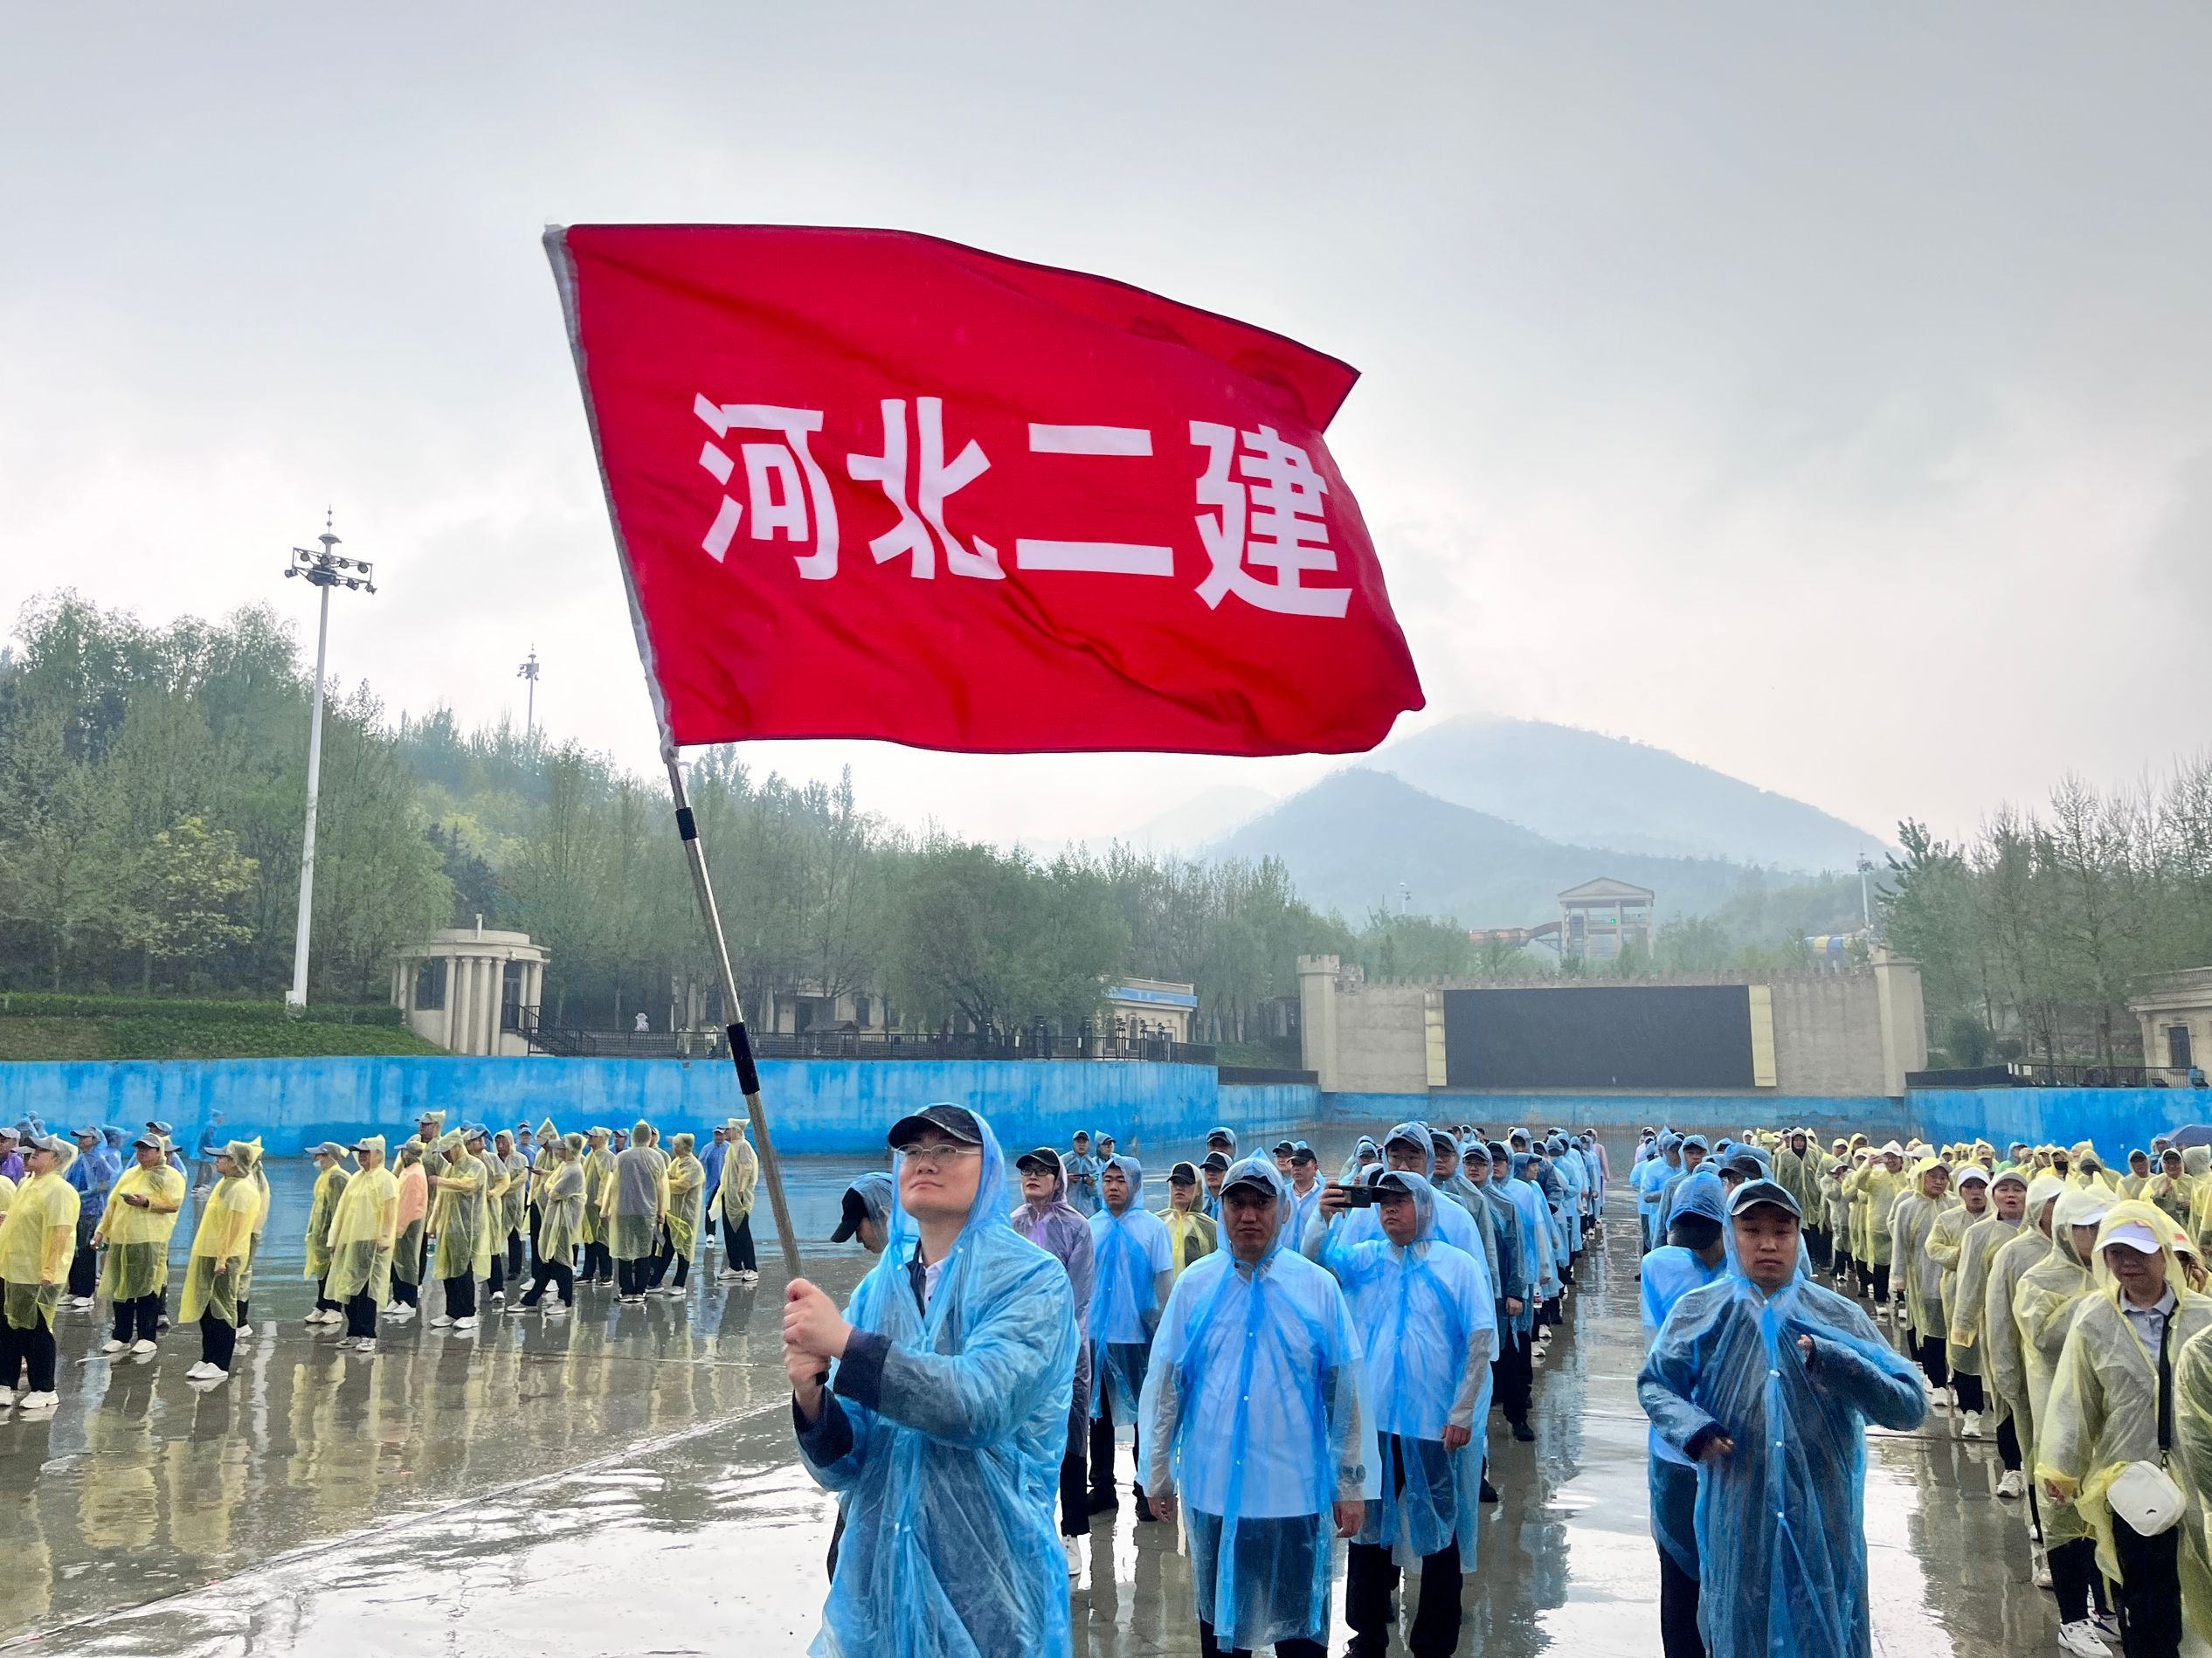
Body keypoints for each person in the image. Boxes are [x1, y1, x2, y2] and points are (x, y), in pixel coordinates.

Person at [785, 1102, 1079, 1658]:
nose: (927, 1162)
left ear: (987, 1167)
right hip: (879, 1587)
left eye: (947, 1150)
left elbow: (979, 1405)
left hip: (991, 1577)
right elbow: (847, 1465)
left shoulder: (1033, 1280)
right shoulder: (878, 1291)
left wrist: (846, 1344)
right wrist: (812, 1396)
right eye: (914, 1151)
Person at [1639, 1178, 1926, 1658]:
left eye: (1783, 1231)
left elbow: (1909, 1405)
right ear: (1731, 1237)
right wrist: (1692, 1430)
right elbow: (1655, 1384)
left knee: (1824, 1626)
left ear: (1799, 1237)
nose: (1768, 1243)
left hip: (1823, 1513)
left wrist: (1839, 1364)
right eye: (1752, 1230)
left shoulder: (1837, 1316)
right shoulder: (1701, 1313)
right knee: (1741, 1625)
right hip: (1738, 1508)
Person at [1142, 1156, 1377, 1658]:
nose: (1248, 1216)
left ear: (1283, 1210)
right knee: (1222, 1630)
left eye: (1261, 1203)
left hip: (1294, 1492)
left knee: (1300, 1630)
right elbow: (1167, 1387)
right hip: (1215, 1492)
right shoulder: (1195, 1288)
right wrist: (1157, 1472)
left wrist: (1351, 1483)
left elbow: (1344, 1394)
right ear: (1222, 1210)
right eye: (1237, 1204)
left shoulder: (1317, 1287)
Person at [1308, 1168, 1491, 1658]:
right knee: (1366, 1529)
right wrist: (1321, 1218)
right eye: (1383, 1201)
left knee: (1439, 1531)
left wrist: (1463, 1409)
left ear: (1425, 1206)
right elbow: (1314, 1264)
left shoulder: (1458, 1267)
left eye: (1401, 1201)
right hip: (1375, 1425)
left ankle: (1434, 1640)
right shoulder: (1368, 1260)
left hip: (1433, 1425)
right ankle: (1367, 1636)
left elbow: (1479, 1343)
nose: (1390, 1209)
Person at [2043, 1201, 2212, 1658]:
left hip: (2202, 1482)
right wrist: (2062, 1466)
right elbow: (2074, 1399)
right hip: (2133, 1482)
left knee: (2203, 1592)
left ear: (2164, 1253)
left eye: (2139, 1251)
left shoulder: (2205, 1317)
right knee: (2145, 1599)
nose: (2128, 1262)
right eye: (2116, 1253)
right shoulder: (2094, 1320)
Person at [2017, 1185, 2117, 1647]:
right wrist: (2098, 1302)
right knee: (2065, 1514)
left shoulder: (2116, 1276)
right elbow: (2044, 1338)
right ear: (2063, 1231)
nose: (2097, 1238)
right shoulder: (2038, 1280)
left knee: (2111, 1514)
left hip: (2111, 1418)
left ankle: (2108, 1611)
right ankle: (2074, 1618)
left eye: (2104, 1227)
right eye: (2088, 1229)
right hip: (2060, 1411)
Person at [1639, 1168, 1730, 1658]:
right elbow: (1656, 1357)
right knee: (1678, 1569)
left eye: (1707, 1236)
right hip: (1675, 1445)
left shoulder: (1748, 1266)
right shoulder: (1659, 1266)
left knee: (1737, 1566)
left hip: (1736, 1442)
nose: (1697, 1248)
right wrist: (1681, 1420)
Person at [1011, 1146, 1098, 1565]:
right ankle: (1032, 1527)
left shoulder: (1077, 1226)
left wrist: (1054, 1340)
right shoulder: (1013, 1224)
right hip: (1020, 1351)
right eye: (1027, 1170)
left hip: (1066, 1350)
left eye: (1041, 1171)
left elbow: (1078, 1295)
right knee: (1023, 1439)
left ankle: (1073, 1533)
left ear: (1058, 1178)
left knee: (1068, 1439)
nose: (1032, 1176)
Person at [1089, 1152, 1173, 1521]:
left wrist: (1167, 1332)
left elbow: (1163, 1282)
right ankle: (1103, 1487)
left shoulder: (1152, 1228)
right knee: (1099, 1417)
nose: (1113, 1187)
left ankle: (1145, 1491)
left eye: (1120, 1181)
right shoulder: (1090, 1226)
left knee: (1146, 1415)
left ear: (1134, 1185)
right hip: (1098, 1336)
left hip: (1139, 1336)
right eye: (1108, 1181)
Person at [0, 1133, 81, 1411]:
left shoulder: (59, 1190)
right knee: (9, 1327)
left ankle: (45, 1387)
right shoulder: (27, 1183)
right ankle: (6, 1383)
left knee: (35, 1330)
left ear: (57, 1159)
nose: (34, 1152)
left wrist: (49, 1270)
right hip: (14, 1270)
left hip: (38, 1273)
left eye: (42, 1150)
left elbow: (60, 1233)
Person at [93, 1132, 185, 1356]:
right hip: (122, 1239)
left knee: (147, 1288)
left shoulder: (170, 1176)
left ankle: (147, 1336)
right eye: (138, 1149)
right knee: (121, 1288)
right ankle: (121, 1336)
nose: (141, 1153)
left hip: (149, 1239)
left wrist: (146, 1202)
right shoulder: (130, 1174)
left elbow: (173, 1204)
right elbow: (113, 1204)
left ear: (158, 1152)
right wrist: (101, 1231)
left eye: (147, 1149)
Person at [178, 1141, 260, 1385]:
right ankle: (207, 1357)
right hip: (209, 1253)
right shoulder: (224, 1185)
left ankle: (220, 1362)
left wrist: (222, 1258)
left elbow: (235, 1229)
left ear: (235, 1162)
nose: (216, 1161)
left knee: (222, 1308)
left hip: (225, 1257)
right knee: (206, 1306)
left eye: (221, 1158)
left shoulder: (242, 1190)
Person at [1926, 1164, 1993, 1434]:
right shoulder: (1948, 1219)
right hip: (1960, 1295)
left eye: (1981, 1187)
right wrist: (1961, 1256)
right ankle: (1972, 1413)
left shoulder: (2002, 1221)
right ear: (1960, 1191)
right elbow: (1933, 1247)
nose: (1976, 1193)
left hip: (1995, 1298)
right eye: (1969, 1187)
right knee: (1965, 1351)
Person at [325, 1136, 398, 1355]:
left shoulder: (386, 1179)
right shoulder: (356, 1178)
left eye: (367, 1152)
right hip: (351, 1241)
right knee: (349, 1288)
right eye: (360, 1152)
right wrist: (334, 1238)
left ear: (378, 1153)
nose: (363, 1156)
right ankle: (353, 1332)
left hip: (372, 1243)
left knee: (367, 1291)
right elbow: (342, 1210)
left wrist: (385, 1238)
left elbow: (390, 1211)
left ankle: (368, 1334)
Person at [521, 1133, 587, 1316]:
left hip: (565, 1220)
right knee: (550, 1260)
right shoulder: (565, 1166)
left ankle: (564, 1300)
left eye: (561, 1148)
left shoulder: (574, 1170)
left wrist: (550, 1186)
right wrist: (550, 1186)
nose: (557, 1150)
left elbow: (552, 1192)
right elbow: (549, 1185)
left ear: (570, 1150)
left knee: (562, 1260)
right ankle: (531, 1298)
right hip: (555, 1218)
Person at [426, 1128, 486, 1331]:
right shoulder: (450, 1168)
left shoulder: (476, 1166)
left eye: (446, 1151)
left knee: (462, 1270)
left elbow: (469, 1185)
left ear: (457, 1148)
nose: (444, 1155)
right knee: (448, 1269)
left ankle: (468, 1312)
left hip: (468, 1227)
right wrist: (433, 1225)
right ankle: (452, 1311)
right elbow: (441, 1199)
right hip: (449, 1227)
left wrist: (441, 1181)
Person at [605, 1118, 667, 1304]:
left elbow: (613, 1184)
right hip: (646, 1211)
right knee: (644, 1250)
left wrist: (608, 1207)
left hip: (624, 1210)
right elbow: (662, 1186)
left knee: (624, 1251)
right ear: (649, 1137)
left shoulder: (622, 1157)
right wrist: (661, 1211)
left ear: (633, 1136)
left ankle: (626, 1290)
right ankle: (640, 1290)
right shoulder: (657, 1157)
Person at [301, 1142, 352, 1326]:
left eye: (320, 1156)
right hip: (320, 1234)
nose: (316, 1159)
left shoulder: (337, 1177)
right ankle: (322, 1305)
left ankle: (335, 1308)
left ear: (330, 1156)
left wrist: (336, 1236)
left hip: (331, 1234)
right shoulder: (325, 1176)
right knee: (322, 1271)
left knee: (334, 1272)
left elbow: (339, 1209)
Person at [654, 1131, 706, 1296]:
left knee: (684, 1248)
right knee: (667, 1247)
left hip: (686, 1215)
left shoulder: (694, 1166)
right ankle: (655, 1281)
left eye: (675, 1144)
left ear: (681, 1146)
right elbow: (669, 1177)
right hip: (672, 1213)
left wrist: (664, 1183)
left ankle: (680, 1283)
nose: (673, 1147)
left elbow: (683, 1185)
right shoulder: (677, 1162)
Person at [386, 1141, 428, 1324]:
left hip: (410, 1222)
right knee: (398, 1261)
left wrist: (400, 1228)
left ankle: (409, 1301)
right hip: (400, 1220)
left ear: (408, 1154)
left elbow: (409, 1204)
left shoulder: (415, 1174)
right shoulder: (408, 1171)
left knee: (409, 1260)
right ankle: (398, 1297)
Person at [1160, 1162, 1220, 1275]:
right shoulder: (1158, 1223)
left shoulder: (1211, 1228)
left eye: (1186, 1183)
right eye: (1175, 1183)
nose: (1179, 1188)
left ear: (1198, 1189)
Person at [577, 1127, 616, 1284]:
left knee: (603, 1240)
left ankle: (606, 1274)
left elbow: (608, 1181)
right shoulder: (590, 1156)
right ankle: (588, 1273)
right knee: (589, 1239)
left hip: (601, 1207)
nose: (590, 1138)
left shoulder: (607, 1157)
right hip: (588, 1206)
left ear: (602, 1139)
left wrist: (602, 1202)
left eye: (593, 1136)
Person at [828, 1170, 895, 1256]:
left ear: (883, 1215)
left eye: (858, 1229)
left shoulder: (912, 1259)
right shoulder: (898, 1257)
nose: (858, 1240)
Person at [1065, 1131, 1103, 1216]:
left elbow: (1097, 1192)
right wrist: (1066, 1178)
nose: (1081, 1145)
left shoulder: (1093, 1165)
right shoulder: (1064, 1160)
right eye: (1078, 1142)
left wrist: (1091, 1184)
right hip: (1066, 1210)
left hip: (1086, 1213)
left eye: (1084, 1142)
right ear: (1073, 1143)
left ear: (1088, 1144)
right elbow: (1053, 1181)